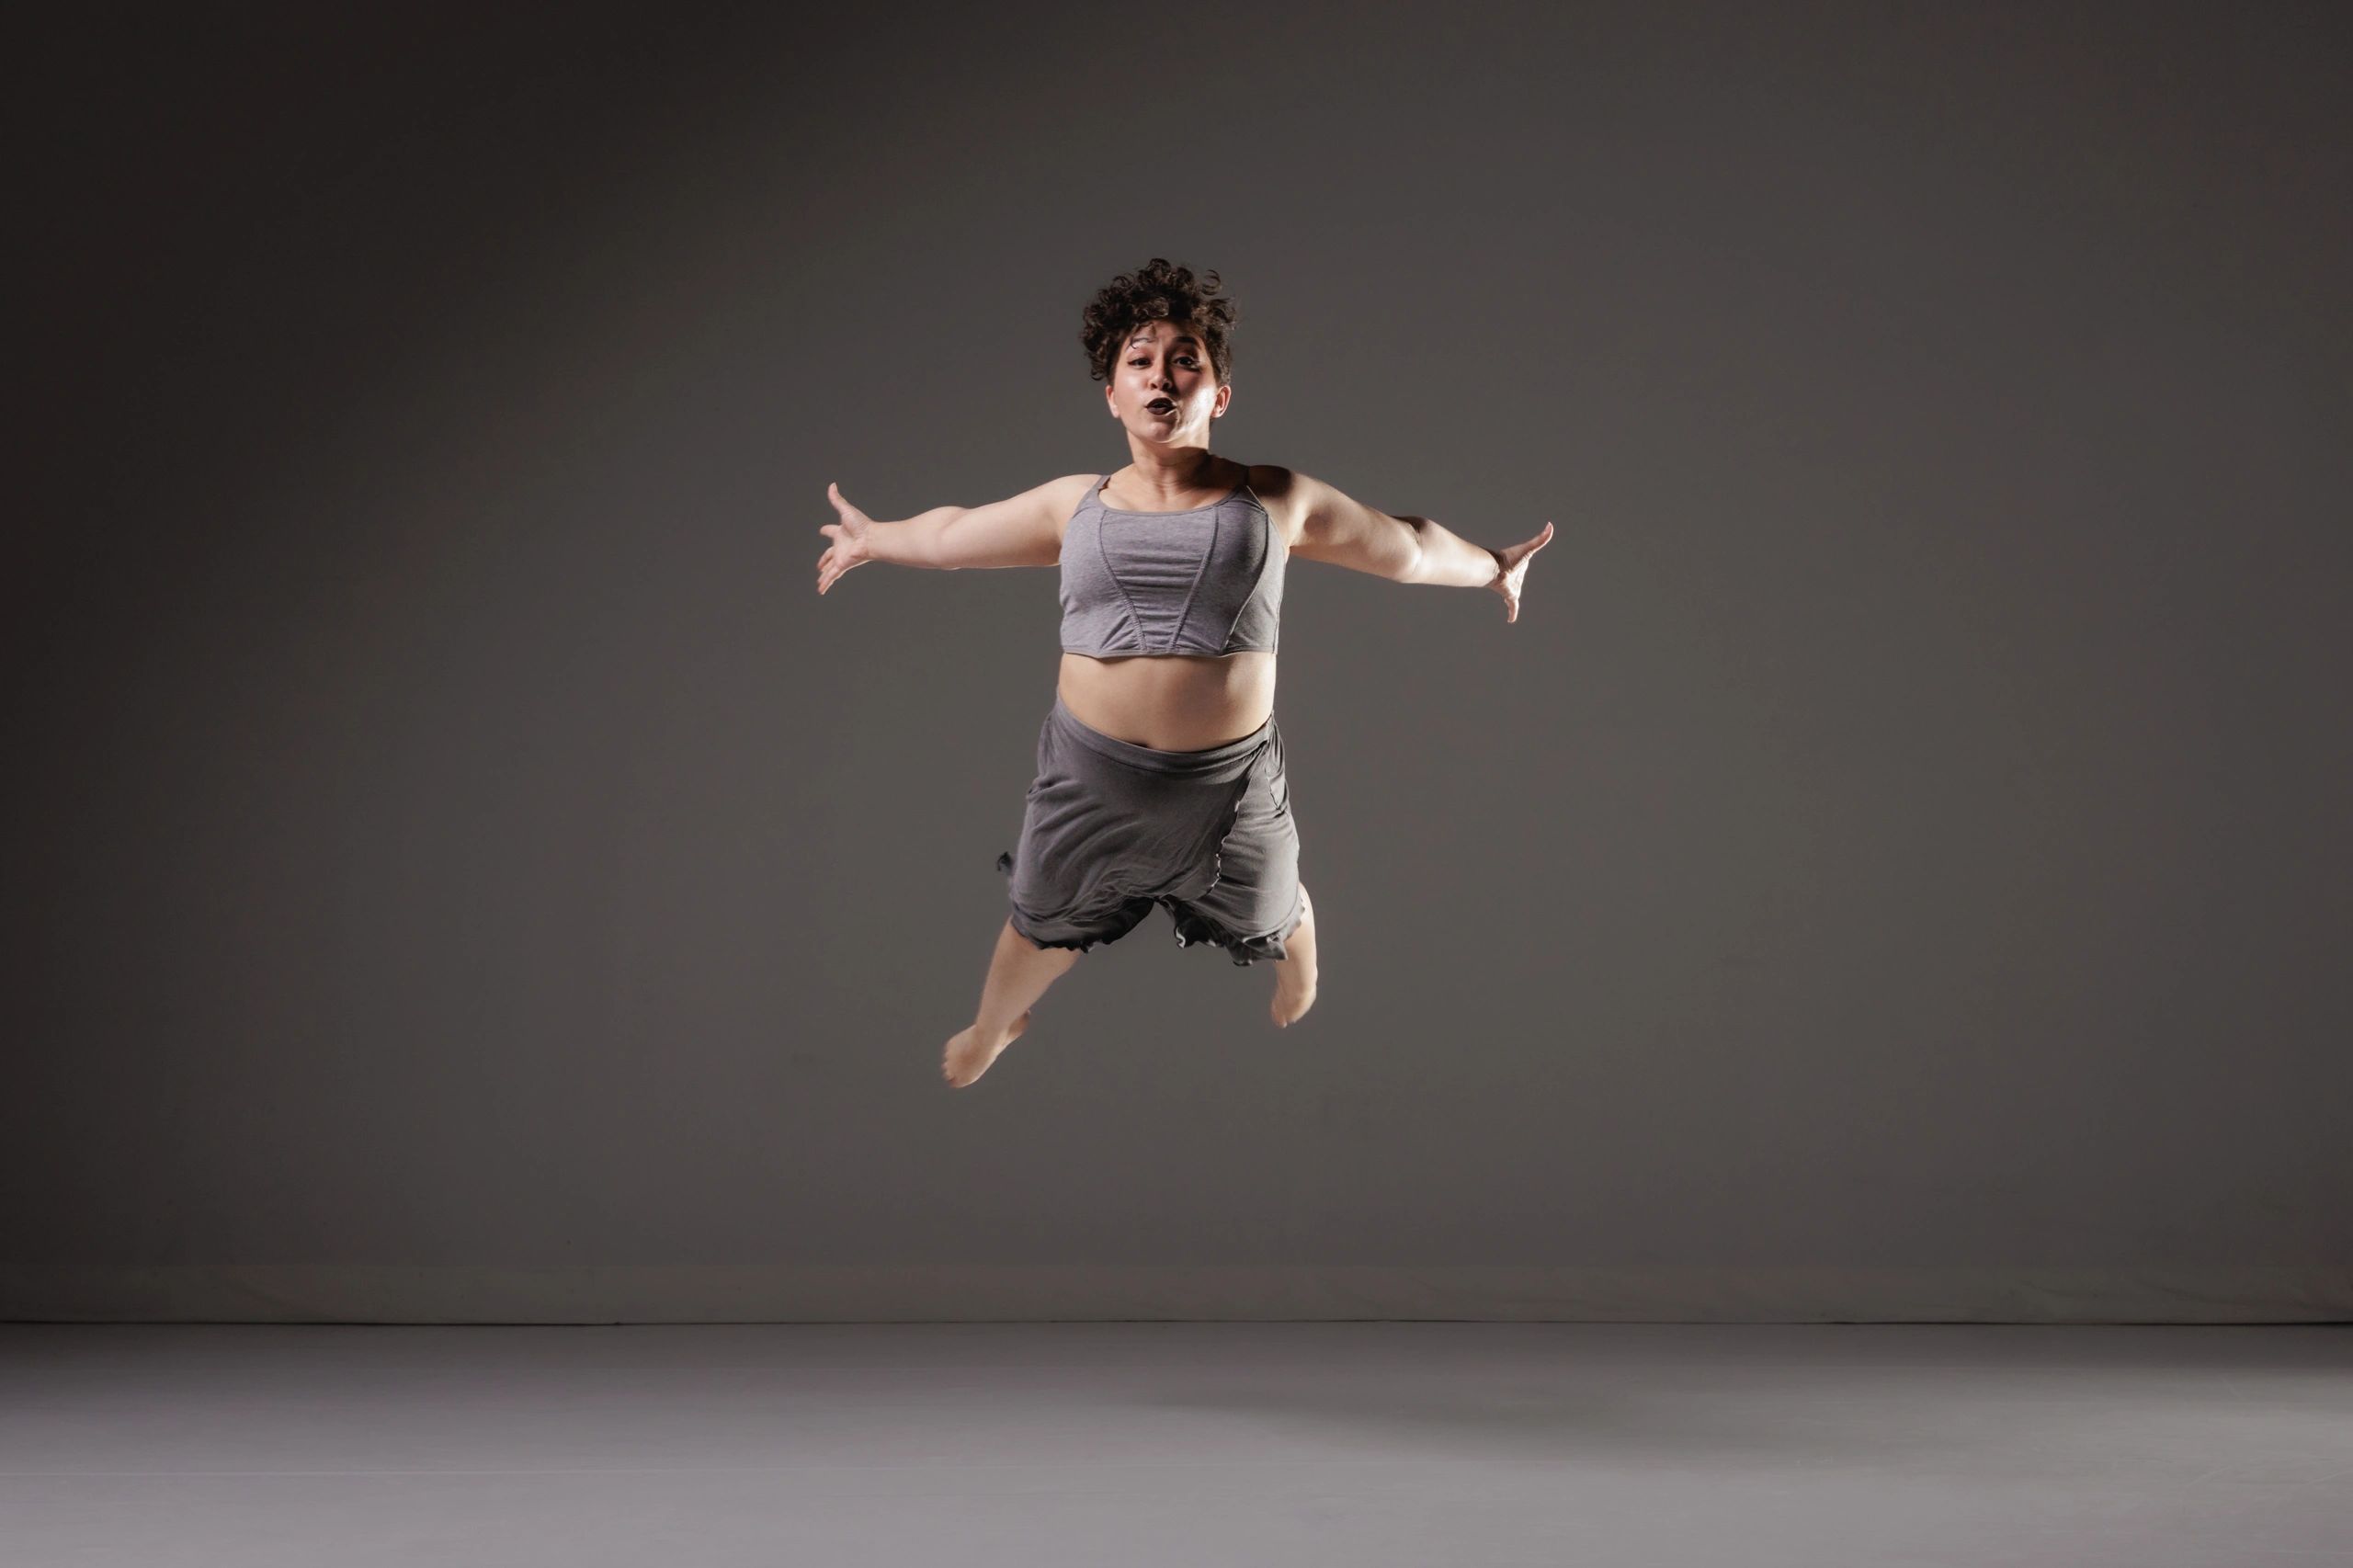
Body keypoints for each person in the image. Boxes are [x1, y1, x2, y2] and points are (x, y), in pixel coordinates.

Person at [814, 259, 1552, 1087]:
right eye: (1140, 360)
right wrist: (873, 537)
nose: (1163, 374)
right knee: (1035, 927)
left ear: (1218, 394)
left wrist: (1493, 565)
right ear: (1113, 395)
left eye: (1186, 358)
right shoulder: (1074, 505)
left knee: (1274, 909)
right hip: (1089, 778)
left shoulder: (1274, 498)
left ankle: (1297, 956)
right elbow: (952, 538)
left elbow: (1410, 547)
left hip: (1226, 784)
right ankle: (994, 1027)